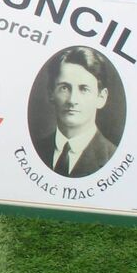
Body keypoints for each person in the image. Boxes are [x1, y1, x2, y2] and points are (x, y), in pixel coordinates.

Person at [33, 46, 118, 178]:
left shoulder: (113, 159)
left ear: (101, 97)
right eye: (64, 88)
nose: (72, 100)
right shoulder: (35, 149)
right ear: (51, 93)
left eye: (84, 89)